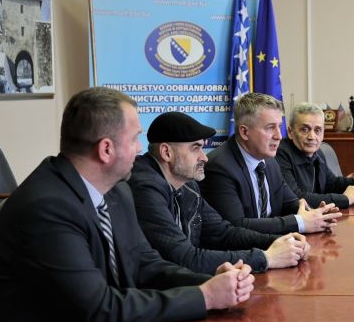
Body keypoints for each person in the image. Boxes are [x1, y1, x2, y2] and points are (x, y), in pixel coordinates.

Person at [0, 87, 253, 322]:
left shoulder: (116, 191)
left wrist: (211, 282)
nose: (140, 148)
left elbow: (145, 263)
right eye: (135, 138)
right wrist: (204, 297)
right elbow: (101, 309)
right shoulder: (47, 207)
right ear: (106, 149)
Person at [128, 111, 312, 275]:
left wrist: (281, 241)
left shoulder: (188, 185)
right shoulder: (145, 189)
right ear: (166, 152)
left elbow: (222, 233)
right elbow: (185, 258)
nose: (204, 157)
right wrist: (266, 258)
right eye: (195, 148)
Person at [200, 92, 341, 234]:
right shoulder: (219, 167)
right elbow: (236, 227)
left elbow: (289, 202)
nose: (279, 136)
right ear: (244, 132)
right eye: (270, 127)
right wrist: (300, 223)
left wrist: (314, 215)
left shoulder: (270, 161)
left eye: (279, 126)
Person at [276, 102, 354, 209]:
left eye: (317, 130)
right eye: (305, 129)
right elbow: (296, 198)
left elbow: (333, 184)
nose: (312, 136)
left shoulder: (318, 153)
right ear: (290, 132)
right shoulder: (280, 154)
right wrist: (345, 198)